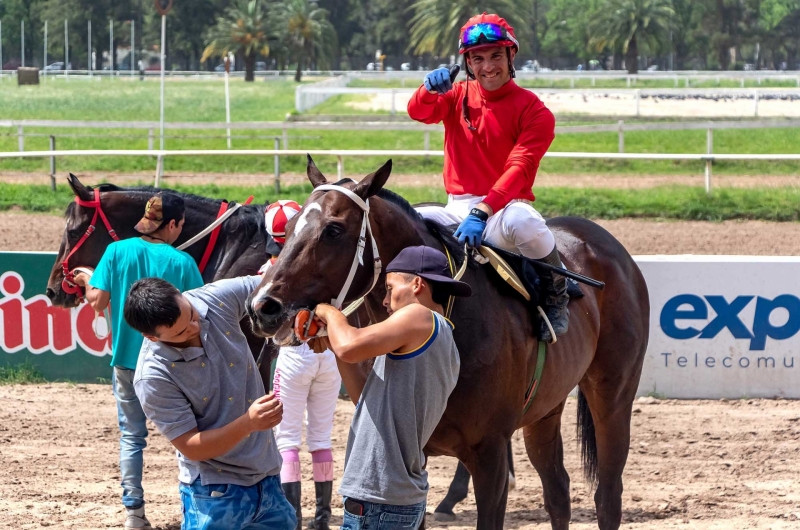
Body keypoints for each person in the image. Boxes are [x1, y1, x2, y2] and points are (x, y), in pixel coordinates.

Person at [407, 13, 568, 343]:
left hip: (503, 211)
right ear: (467, 63)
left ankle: (556, 294)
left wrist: (483, 211)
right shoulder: (455, 95)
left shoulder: (535, 111)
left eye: (496, 55)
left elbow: (519, 168)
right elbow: (418, 112)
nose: (488, 67)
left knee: (525, 222)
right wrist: (426, 89)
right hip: (454, 209)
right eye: (477, 59)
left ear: (512, 56)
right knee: (406, 221)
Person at [309, 245, 470, 529]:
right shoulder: (442, 338)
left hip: (379, 499)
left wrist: (329, 312)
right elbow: (366, 402)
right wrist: (335, 347)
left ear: (417, 284)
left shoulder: (419, 316)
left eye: (389, 288)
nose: (384, 301)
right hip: (390, 498)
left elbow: (350, 345)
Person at [73, 192, 203, 529]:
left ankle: (134, 513)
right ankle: (194, 507)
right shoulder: (183, 264)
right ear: (172, 224)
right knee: (188, 437)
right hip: (172, 361)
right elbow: (199, 317)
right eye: (181, 225)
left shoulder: (116, 251)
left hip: (127, 362)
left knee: (132, 437)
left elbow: (98, 302)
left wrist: (87, 278)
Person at [124, 275, 296, 530]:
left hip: (268, 476)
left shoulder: (210, 300)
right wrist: (248, 423)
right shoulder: (153, 375)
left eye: (191, 314)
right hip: (214, 492)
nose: (195, 326)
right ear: (151, 337)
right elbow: (191, 447)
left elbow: (275, 280)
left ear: (182, 295)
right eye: (181, 331)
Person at [263, 200, 342, 530]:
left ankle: (293, 519)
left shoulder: (272, 272)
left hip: (294, 356)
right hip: (328, 356)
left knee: (288, 441)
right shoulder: (328, 266)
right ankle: (322, 519)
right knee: (322, 439)